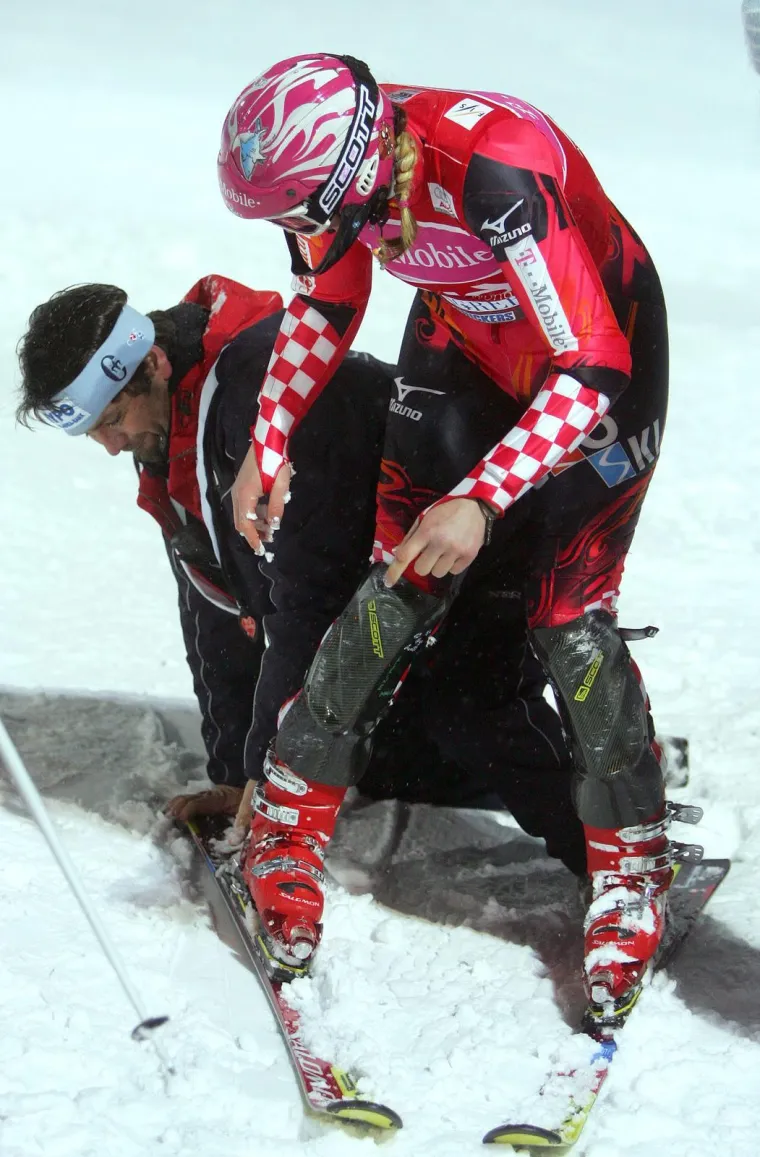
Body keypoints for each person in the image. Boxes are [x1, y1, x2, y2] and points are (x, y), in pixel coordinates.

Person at [216, 54, 677, 1023]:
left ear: (342, 181)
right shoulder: (362, 177)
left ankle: (630, 867)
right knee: (398, 584)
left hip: (597, 355)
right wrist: (267, 437)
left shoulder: (491, 169)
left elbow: (592, 361)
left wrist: (480, 496)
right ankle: (286, 830)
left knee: (567, 611)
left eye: (296, 214)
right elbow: (328, 302)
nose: (293, 236)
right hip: (467, 337)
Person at [15, 274, 586, 872]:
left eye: (112, 420)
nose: (112, 446)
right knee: (382, 762)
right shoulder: (166, 433)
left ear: (154, 362)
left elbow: (307, 601)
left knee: (467, 708)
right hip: (379, 579)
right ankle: (576, 749)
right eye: (94, 433)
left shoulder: (255, 396)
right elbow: (216, 603)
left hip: (478, 538)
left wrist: (271, 775)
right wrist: (237, 771)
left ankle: (618, 850)